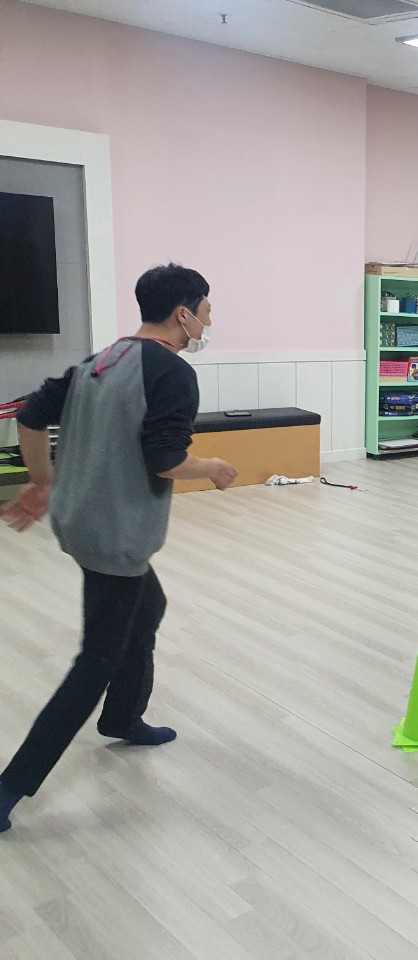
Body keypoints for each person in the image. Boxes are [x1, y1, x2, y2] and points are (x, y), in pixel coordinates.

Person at [0, 264, 237, 834]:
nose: (209, 321)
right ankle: (9, 788)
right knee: (96, 660)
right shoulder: (172, 372)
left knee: (148, 608)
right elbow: (166, 459)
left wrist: (43, 483)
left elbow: (29, 417)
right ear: (183, 313)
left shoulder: (100, 360)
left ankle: (124, 717)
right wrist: (213, 467)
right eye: (206, 310)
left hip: (83, 523)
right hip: (115, 535)